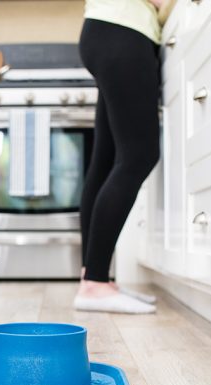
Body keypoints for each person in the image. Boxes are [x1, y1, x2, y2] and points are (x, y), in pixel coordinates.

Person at [75, 0, 164, 314]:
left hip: (104, 28)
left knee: (106, 160)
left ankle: (93, 276)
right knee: (139, 155)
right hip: (124, 30)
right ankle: (95, 284)